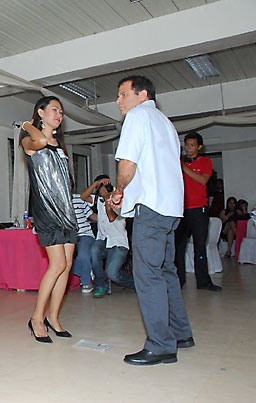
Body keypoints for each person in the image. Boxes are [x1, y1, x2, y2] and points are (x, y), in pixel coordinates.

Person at [110, 75, 194, 366]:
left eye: (123, 94)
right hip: (171, 208)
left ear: (142, 94)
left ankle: (160, 345)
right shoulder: (165, 122)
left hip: (151, 206)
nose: (118, 101)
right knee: (166, 271)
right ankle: (181, 333)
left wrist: (119, 190)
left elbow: (128, 163)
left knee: (147, 275)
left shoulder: (137, 116)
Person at [20, 96, 77, 343]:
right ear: (40, 112)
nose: (59, 115)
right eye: (54, 110)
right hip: (47, 211)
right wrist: (27, 124)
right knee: (57, 264)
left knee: (66, 265)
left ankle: (53, 317)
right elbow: (41, 140)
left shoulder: (59, 145)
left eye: (61, 111)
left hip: (67, 212)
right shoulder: (29, 140)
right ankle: (37, 319)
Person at [174, 132, 221, 291]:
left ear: (199, 147)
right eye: (187, 145)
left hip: (199, 209)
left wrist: (184, 168)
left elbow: (203, 180)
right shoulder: (178, 162)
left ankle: (203, 282)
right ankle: (179, 280)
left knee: (200, 246)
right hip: (181, 210)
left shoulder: (206, 162)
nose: (188, 148)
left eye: (192, 145)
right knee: (179, 247)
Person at [81, 175, 134, 298]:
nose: (103, 188)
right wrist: (96, 184)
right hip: (103, 240)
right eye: (101, 186)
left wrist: (107, 199)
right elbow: (83, 196)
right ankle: (100, 284)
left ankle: (136, 283)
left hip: (118, 242)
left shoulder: (118, 200)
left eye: (105, 185)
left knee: (112, 274)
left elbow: (111, 218)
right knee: (94, 250)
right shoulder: (98, 199)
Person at [70, 193, 96, 293]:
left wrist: (107, 220)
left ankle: (86, 283)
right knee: (63, 261)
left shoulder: (79, 198)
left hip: (84, 234)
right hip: (68, 236)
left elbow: (91, 215)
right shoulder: (58, 201)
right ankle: (87, 271)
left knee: (83, 255)